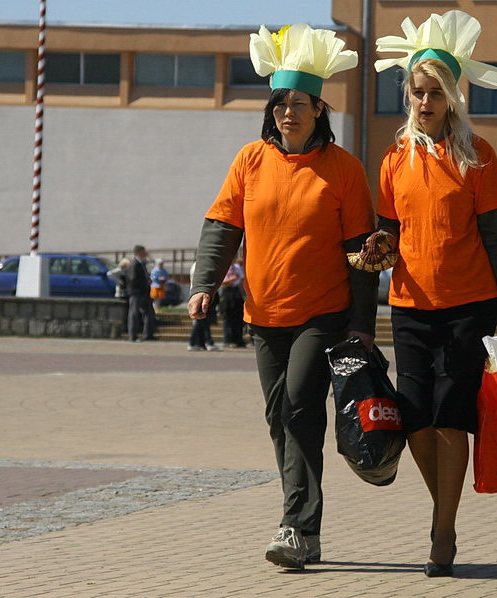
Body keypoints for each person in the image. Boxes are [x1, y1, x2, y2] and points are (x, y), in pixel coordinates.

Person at [187, 23, 376, 570]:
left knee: (297, 405)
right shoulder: (250, 159)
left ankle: (296, 524)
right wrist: (204, 284)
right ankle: (304, 526)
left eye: (299, 103)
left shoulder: (343, 170)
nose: (288, 112)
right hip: (263, 312)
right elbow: (222, 226)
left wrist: (363, 322)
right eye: (280, 103)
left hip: (324, 313)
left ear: (320, 109)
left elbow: (362, 253)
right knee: (280, 417)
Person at [373, 10, 497, 578]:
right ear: (410, 96)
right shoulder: (395, 160)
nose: (425, 103)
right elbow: (390, 237)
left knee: (451, 416)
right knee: (415, 416)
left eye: (435, 93)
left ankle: (442, 532)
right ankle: (443, 511)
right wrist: (371, 253)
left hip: (470, 305)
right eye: (417, 93)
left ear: (453, 96)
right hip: (409, 305)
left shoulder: (479, 156)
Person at [126, 245, 157, 342]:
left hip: (144, 292)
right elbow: (133, 279)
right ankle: (132, 336)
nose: (146, 254)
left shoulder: (141, 264)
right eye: (144, 252)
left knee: (149, 313)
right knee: (134, 314)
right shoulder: (134, 264)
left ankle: (148, 334)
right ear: (139, 252)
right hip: (136, 292)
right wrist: (145, 282)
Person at [187, 261, 220, 352]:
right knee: (201, 320)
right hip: (200, 294)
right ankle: (205, 342)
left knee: (202, 321)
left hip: (202, 294)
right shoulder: (199, 266)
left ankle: (200, 343)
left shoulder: (199, 265)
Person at [219, 257, 246, 348]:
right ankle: (228, 340)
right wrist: (233, 279)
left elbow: (241, 279)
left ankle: (238, 340)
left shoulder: (236, 268)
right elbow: (222, 282)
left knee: (238, 318)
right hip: (227, 292)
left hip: (236, 292)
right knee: (227, 318)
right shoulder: (223, 268)